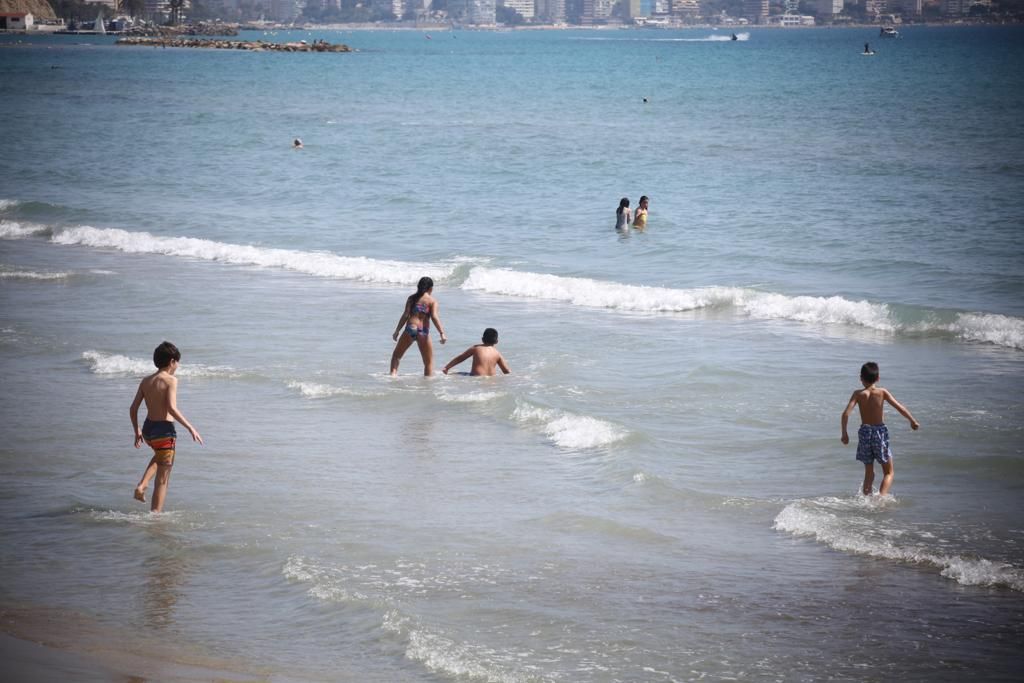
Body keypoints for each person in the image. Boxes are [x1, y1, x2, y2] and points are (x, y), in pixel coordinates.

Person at [129, 341, 203, 512]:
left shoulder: (146, 381)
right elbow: (171, 408)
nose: (177, 366)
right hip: (164, 432)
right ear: (172, 362)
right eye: (177, 362)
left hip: (148, 430)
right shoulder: (171, 380)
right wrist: (190, 427)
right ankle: (155, 516)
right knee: (163, 480)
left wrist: (137, 430)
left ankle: (142, 485)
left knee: (160, 456)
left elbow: (133, 409)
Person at [841, 362, 919, 496]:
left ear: (861, 378)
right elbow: (900, 407)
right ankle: (881, 500)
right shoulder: (882, 392)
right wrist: (912, 421)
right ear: (878, 378)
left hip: (864, 432)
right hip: (879, 432)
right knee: (889, 472)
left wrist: (844, 433)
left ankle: (867, 500)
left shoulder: (858, 394)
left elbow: (846, 414)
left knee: (869, 473)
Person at [390, 276, 447, 376]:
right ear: (430, 288)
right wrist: (441, 333)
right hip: (423, 331)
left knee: (396, 356)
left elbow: (406, 315)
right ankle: (427, 386)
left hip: (410, 328)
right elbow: (434, 317)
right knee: (428, 362)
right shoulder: (432, 301)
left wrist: (397, 331)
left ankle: (392, 376)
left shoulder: (412, 298)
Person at [442, 328, 510, 377]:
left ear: (482, 339)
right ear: (496, 341)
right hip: (491, 380)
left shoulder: (476, 348)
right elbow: (506, 371)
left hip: (476, 377)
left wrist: (447, 367)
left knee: (453, 374)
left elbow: (461, 358)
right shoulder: (497, 353)